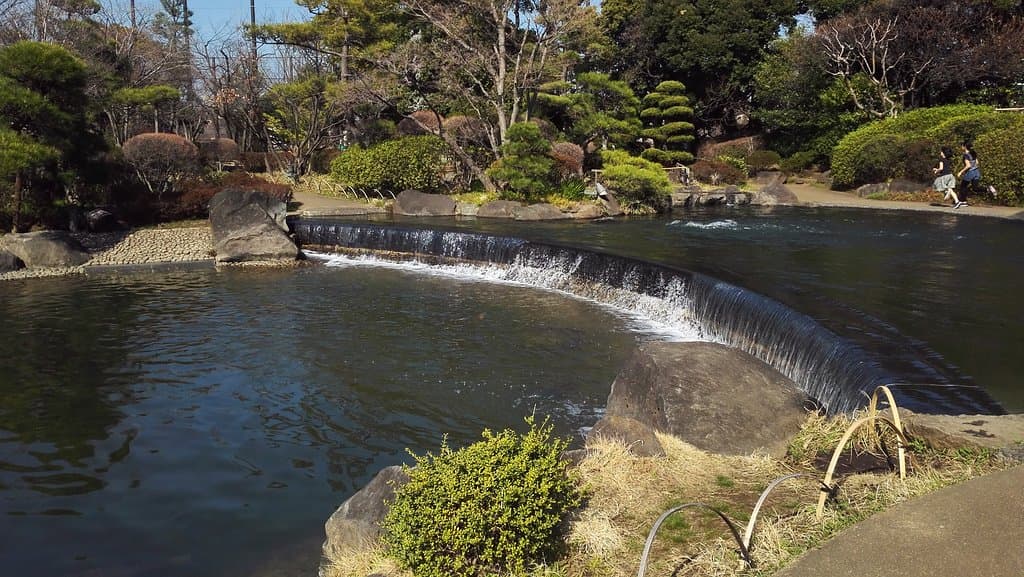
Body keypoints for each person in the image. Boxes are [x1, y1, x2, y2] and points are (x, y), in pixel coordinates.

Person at [956, 141, 980, 206]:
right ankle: (988, 188)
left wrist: (960, 172)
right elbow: (977, 163)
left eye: (962, 146)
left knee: (963, 186)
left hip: (970, 172)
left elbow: (968, 165)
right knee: (975, 188)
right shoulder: (973, 153)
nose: (961, 147)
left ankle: (963, 201)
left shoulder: (966, 155)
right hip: (977, 172)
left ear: (965, 147)